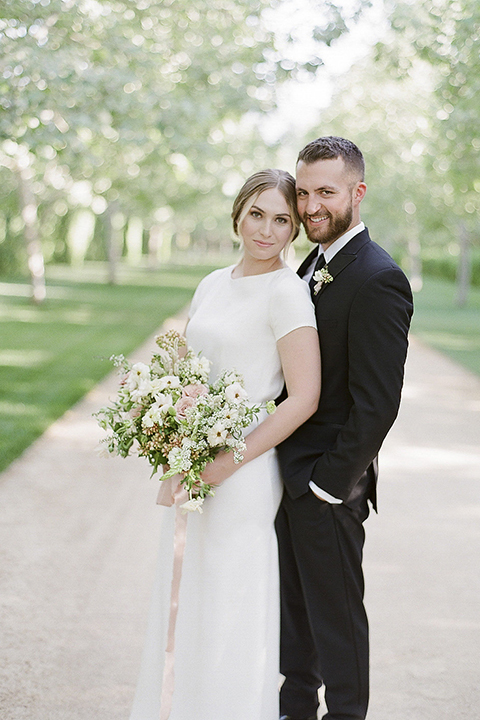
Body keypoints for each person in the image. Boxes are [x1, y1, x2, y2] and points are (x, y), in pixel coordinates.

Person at [128, 169, 321, 720]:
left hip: (242, 473)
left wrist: (225, 463)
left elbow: (303, 397)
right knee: (185, 598)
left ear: (294, 230)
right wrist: (164, 420)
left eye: (282, 220)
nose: (267, 230)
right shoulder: (212, 282)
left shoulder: (286, 293)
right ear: (238, 213)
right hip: (190, 464)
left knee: (230, 611)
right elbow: (187, 370)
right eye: (257, 214)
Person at [275, 136, 414, 720]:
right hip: (288, 475)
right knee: (296, 615)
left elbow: (377, 404)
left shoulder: (377, 277)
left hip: (328, 485)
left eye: (325, 193)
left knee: (335, 619)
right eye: (303, 193)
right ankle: (295, 709)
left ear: (357, 193)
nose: (310, 206)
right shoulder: (313, 263)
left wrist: (327, 485)